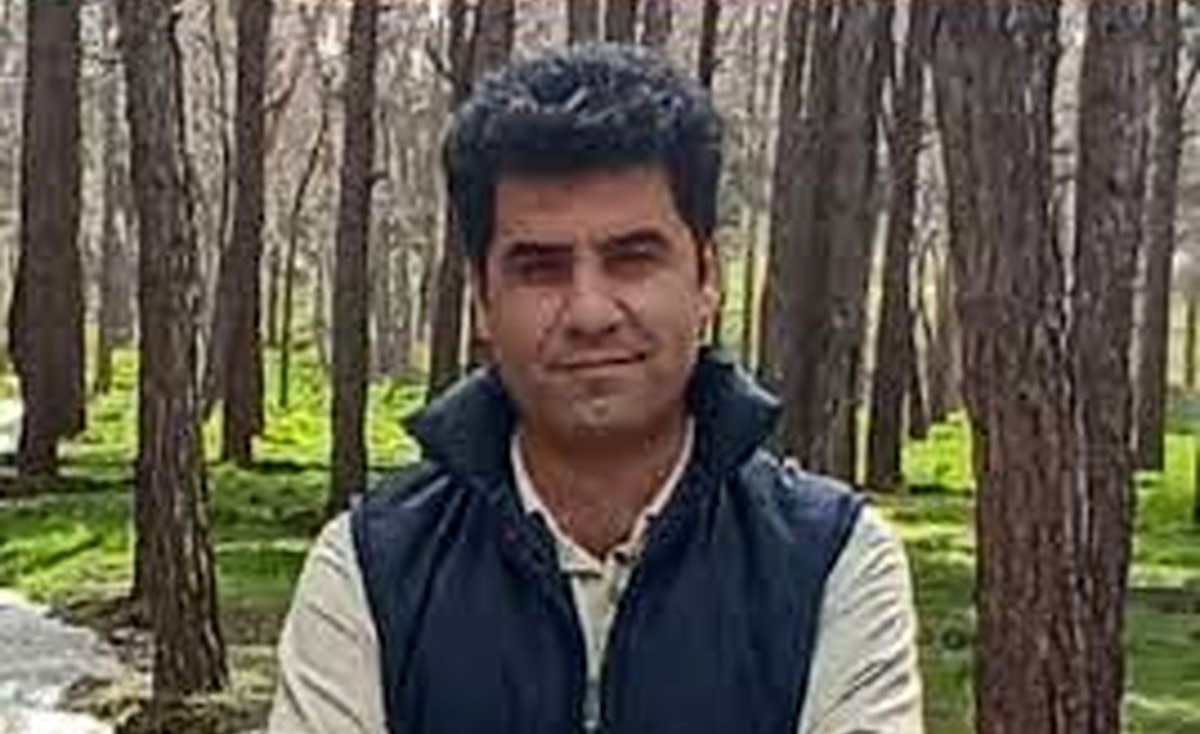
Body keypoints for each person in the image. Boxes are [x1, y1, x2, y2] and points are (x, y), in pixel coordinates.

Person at [268, 44, 923, 734]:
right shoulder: (369, 572)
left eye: (632, 259)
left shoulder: (833, 564)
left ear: (707, 278)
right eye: (540, 268)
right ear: (482, 301)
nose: (589, 312)